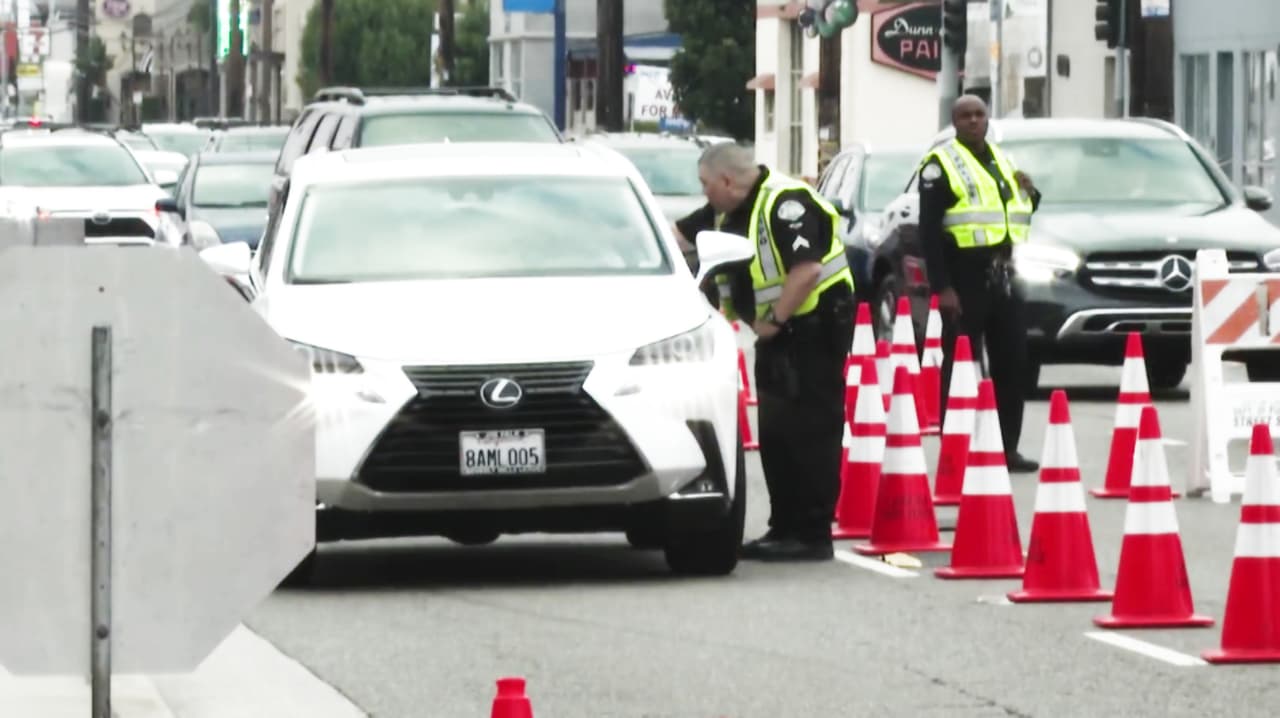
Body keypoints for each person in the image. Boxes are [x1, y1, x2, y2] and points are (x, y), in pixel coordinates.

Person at [673, 143, 855, 561]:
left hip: (812, 327)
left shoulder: (786, 203)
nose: (703, 193)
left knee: (809, 430)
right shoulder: (727, 209)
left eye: (705, 184)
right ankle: (785, 527)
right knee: (777, 432)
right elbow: (678, 237)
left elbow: (807, 270)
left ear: (726, 181)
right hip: (779, 335)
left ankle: (811, 533)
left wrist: (773, 319)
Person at [918, 94, 1041, 473]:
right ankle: (956, 450)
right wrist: (942, 287)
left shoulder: (1001, 159)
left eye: (979, 114)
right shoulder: (940, 165)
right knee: (959, 365)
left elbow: (1016, 209)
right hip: (963, 276)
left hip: (1004, 273)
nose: (973, 121)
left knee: (1012, 362)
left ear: (988, 119)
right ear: (954, 122)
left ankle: (1007, 448)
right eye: (965, 116)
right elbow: (928, 232)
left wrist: (1032, 193)